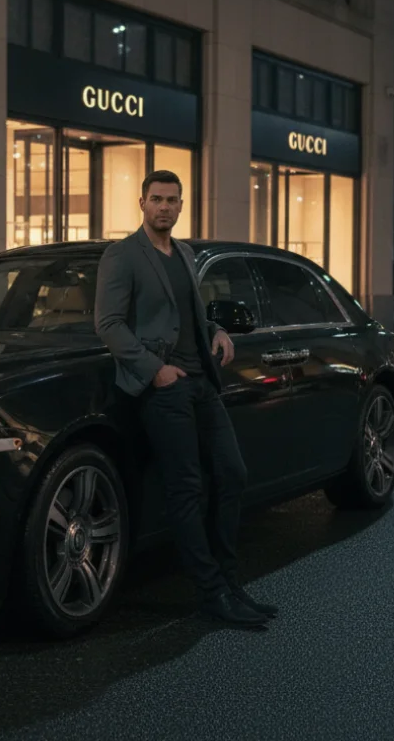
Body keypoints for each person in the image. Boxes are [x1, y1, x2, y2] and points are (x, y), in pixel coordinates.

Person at [94, 169, 278, 628]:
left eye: (172, 200)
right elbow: (109, 324)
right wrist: (156, 371)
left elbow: (188, 312)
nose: (164, 207)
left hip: (203, 382)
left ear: (181, 205)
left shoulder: (186, 253)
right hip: (165, 387)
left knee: (232, 474)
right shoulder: (122, 255)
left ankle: (230, 582)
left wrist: (215, 330)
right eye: (156, 199)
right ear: (141, 204)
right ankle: (211, 592)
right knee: (187, 489)